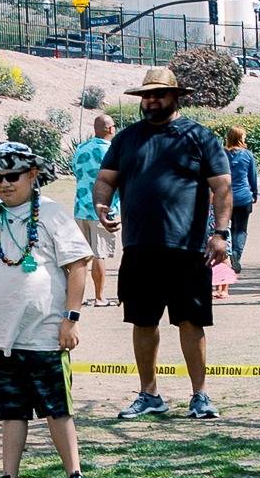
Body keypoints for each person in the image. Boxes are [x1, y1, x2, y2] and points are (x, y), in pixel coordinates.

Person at [92, 67, 231, 422]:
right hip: (139, 246)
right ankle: (149, 394)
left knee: (190, 321)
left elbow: (222, 187)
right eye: (146, 96)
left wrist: (221, 233)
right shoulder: (126, 139)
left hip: (187, 248)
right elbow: (106, 179)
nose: (151, 100)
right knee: (142, 322)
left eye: (159, 94)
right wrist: (101, 205)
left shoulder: (200, 137)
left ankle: (200, 396)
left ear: (176, 96)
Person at [0, 141, 92, 478]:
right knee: (11, 412)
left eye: (12, 175)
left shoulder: (52, 214)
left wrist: (71, 318)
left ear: (32, 176)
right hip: (2, 334)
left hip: (45, 332)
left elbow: (78, 264)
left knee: (57, 409)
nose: (4, 183)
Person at [71, 114, 119, 301]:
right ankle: (99, 298)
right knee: (99, 255)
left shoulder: (81, 147)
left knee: (81, 256)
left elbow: (76, 170)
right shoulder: (113, 151)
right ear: (109, 129)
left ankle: (78, 297)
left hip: (81, 207)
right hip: (103, 210)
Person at [222, 125, 256, 272]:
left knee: (226, 228)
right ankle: (237, 253)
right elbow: (252, 177)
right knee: (241, 230)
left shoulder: (221, 154)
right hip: (243, 197)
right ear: (239, 138)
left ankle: (226, 254)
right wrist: (255, 193)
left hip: (224, 198)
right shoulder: (247, 155)